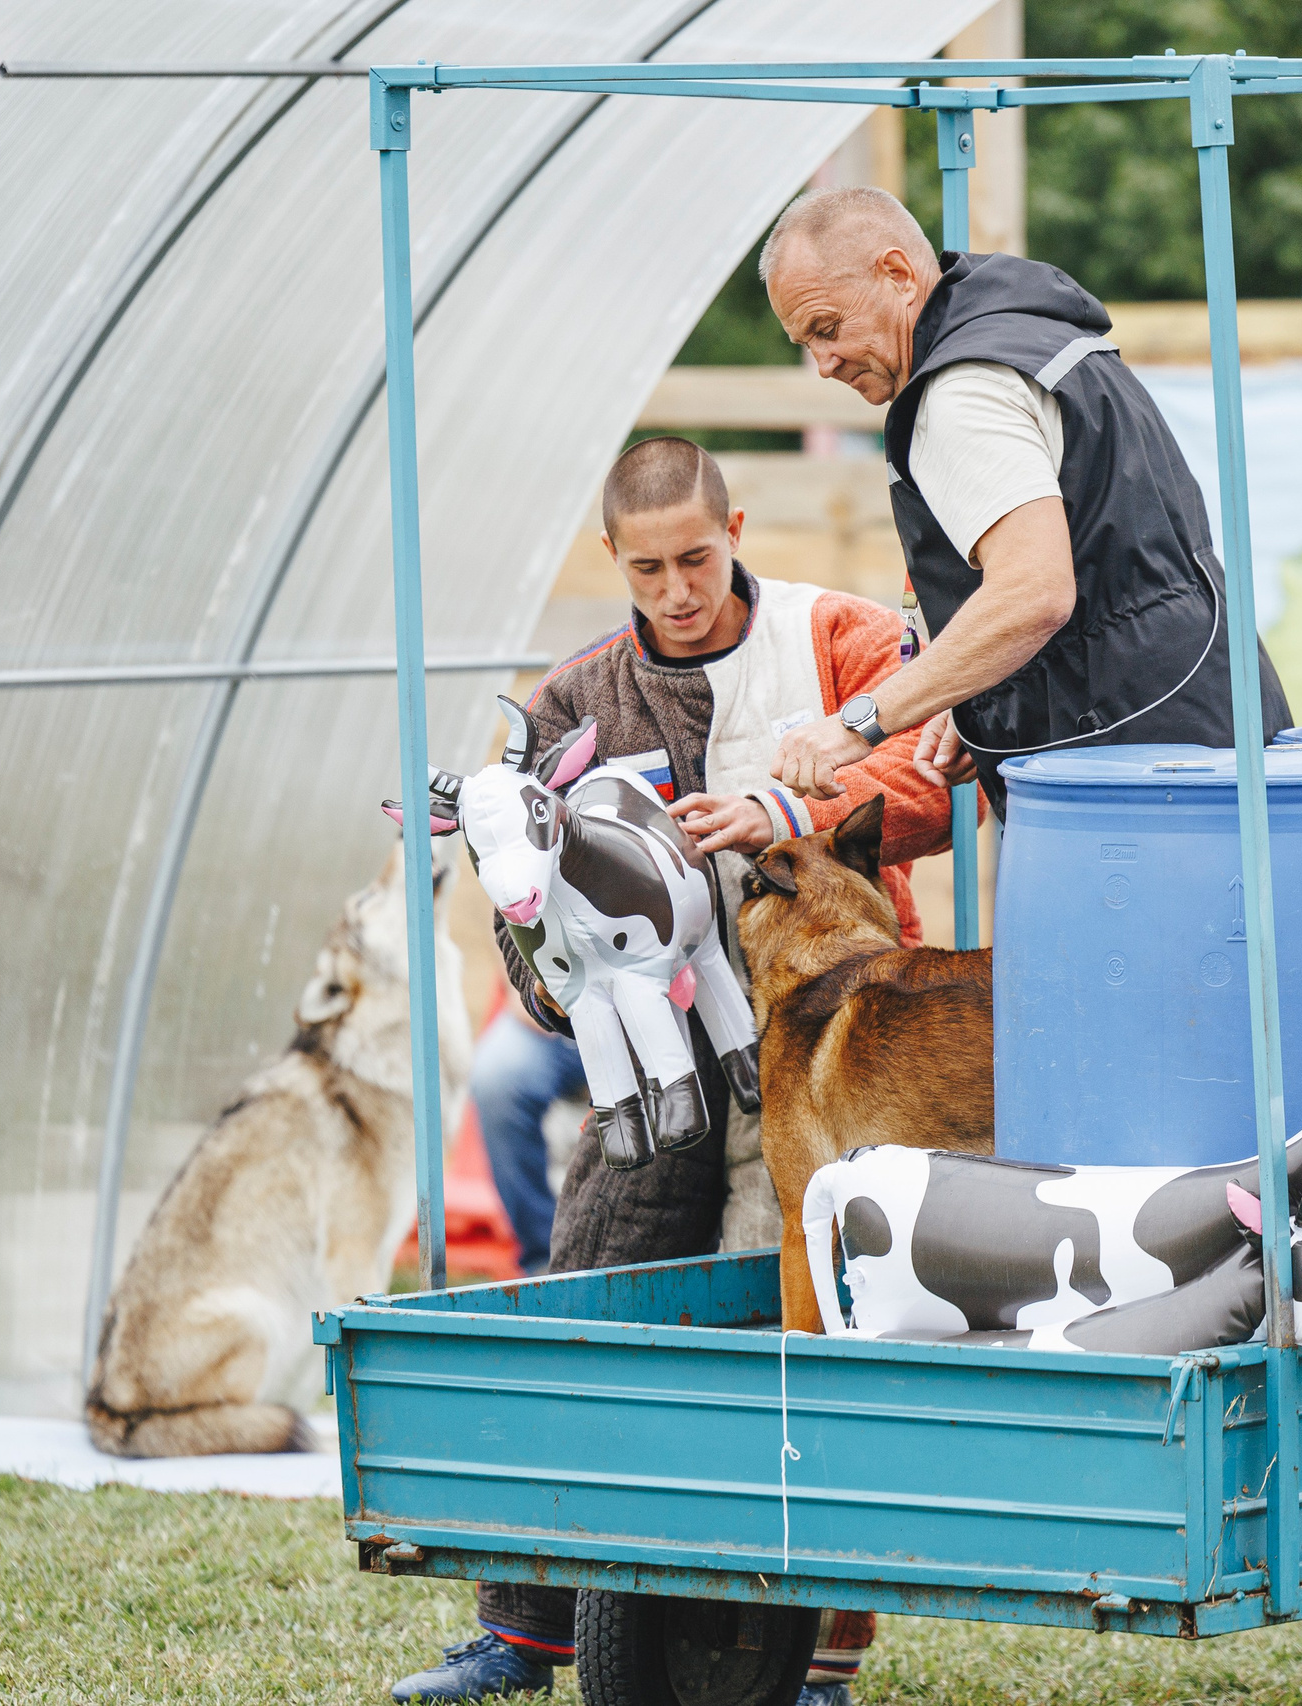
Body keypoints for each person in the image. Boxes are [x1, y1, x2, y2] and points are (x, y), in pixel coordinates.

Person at [389, 437, 954, 1705]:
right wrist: (561, 980)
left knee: (799, 1332)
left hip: (826, 1060)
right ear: (613, 558)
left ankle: (810, 1658)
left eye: (696, 557)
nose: (677, 589)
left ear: (734, 530)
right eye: (646, 568)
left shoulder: (839, 639)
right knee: (592, 1303)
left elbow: (932, 776)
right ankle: (524, 1627)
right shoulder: (571, 700)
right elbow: (517, 891)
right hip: (646, 1081)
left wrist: (789, 812)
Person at [754, 186, 1293, 814]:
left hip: (1140, 770)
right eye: (807, 344)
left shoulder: (961, 391)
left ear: (898, 275)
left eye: (827, 328)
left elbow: (1035, 593)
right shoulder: (1032, 333)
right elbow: (1107, 570)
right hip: (1207, 712)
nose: (823, 363)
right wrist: (979, 694)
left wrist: (860, 723)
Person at [467, 1006, 584, 1276]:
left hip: (645, 1017)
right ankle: (546, 1260)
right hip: (556, 1024)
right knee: (496, 1075)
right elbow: (517, 997)